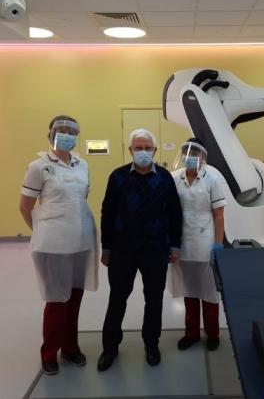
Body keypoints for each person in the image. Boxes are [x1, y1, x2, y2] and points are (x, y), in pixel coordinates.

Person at [19, 115, 99, 375]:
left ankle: (70, 347)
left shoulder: (82, 164)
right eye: (61, 130)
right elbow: (25, 206)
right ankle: (49, 353)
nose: (66, 134)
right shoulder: (38, 166)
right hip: (53, 244)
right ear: (50, 134)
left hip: (81, 239)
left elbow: (81, 198)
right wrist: (42, 230)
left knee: (74, 296)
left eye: (72, 131)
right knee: (56, 299)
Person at [98, 128, 182, 371]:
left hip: (156, 251)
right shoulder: (117, 177)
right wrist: (106, 248)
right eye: (138, 148)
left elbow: (175, 214)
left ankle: (151, 344)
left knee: (153, 300)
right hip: (123, 251)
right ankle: (110, 347)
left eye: (147, 148)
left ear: (155, 151)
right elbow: (107, 213)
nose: (143, 152)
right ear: (130, 150)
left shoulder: (165, 178)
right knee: (117, 299)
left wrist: (174, 245)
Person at [168, 137, 227, 351]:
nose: (190, 157)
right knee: (190, 290)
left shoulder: (211, 180)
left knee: (209, 292)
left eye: (195, 154)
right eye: (186, 153)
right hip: (183, 243)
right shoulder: (175, 180)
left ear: (202, 157)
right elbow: (170, 213)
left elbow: (219, 215)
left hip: (205, 243)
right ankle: (191, 333)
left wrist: (218, 245)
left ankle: (213, 333)